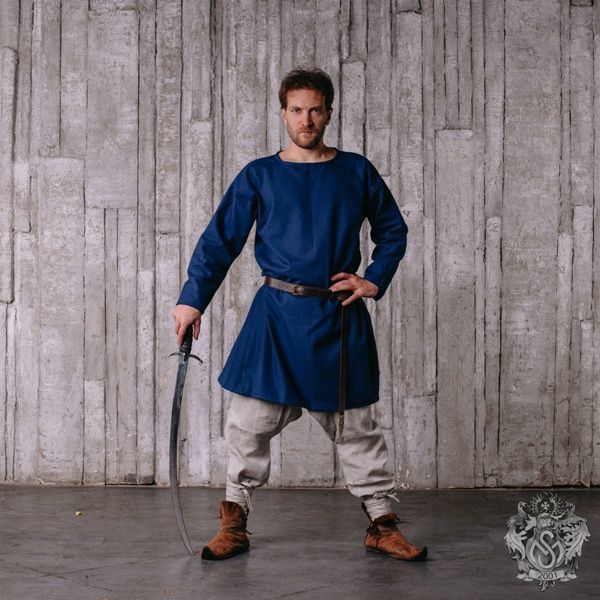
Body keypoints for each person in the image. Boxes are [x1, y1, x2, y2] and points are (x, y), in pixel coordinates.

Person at [173, 68, 427, 562]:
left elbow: (393, 231)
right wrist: (192, 299)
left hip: (337, 318)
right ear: (283, 114)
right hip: (276, 319)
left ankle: (381, 524)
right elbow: (219, 242)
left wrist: (373, 279)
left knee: (357, 426)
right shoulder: (259, 175)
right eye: (296, 110)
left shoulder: (356, 171)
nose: (305, 119)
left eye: (314, 110)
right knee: (248, 425)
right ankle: (234, 522)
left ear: (328, 113)